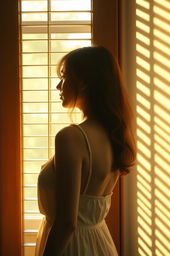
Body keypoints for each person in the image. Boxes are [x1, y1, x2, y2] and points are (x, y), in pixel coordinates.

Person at [35, 46, 136, 256]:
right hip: (100, 243)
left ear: (84, 82)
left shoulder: (71, 138)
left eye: (64, 77)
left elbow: (66, 224)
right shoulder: (113, 134)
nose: (58, 85)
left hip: (72, 248)